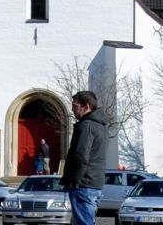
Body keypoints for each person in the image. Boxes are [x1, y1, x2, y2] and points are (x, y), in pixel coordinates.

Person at [61, 90, 107, 225]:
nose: (72, 109)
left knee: (83, 222)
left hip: (83, 184)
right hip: (95, 181)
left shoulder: (86, 125)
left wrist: (75, 181)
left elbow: (81, 155)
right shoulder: (102, 126)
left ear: (86, 106)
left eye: (75, 106)